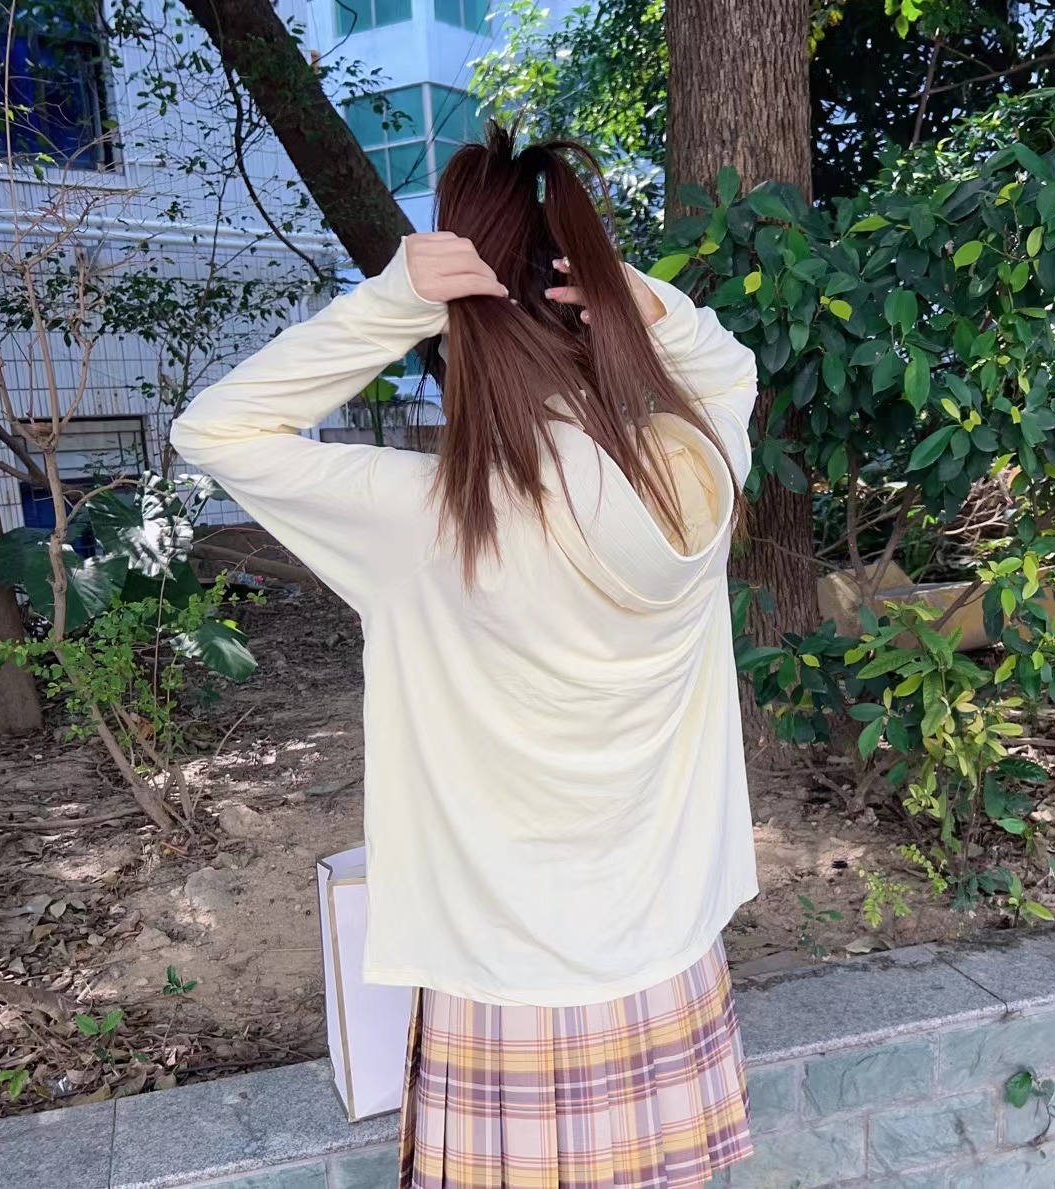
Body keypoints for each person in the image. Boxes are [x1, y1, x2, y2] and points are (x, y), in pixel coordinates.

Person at [171, 123, 760, 1189]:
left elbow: (214, 431)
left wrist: (391, 300)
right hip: (663, 954)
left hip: (502, 975)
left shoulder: (426, 516)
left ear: (459, 339)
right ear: (588, 311)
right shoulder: (697, 471)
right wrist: (648, 303)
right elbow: (731, 372)